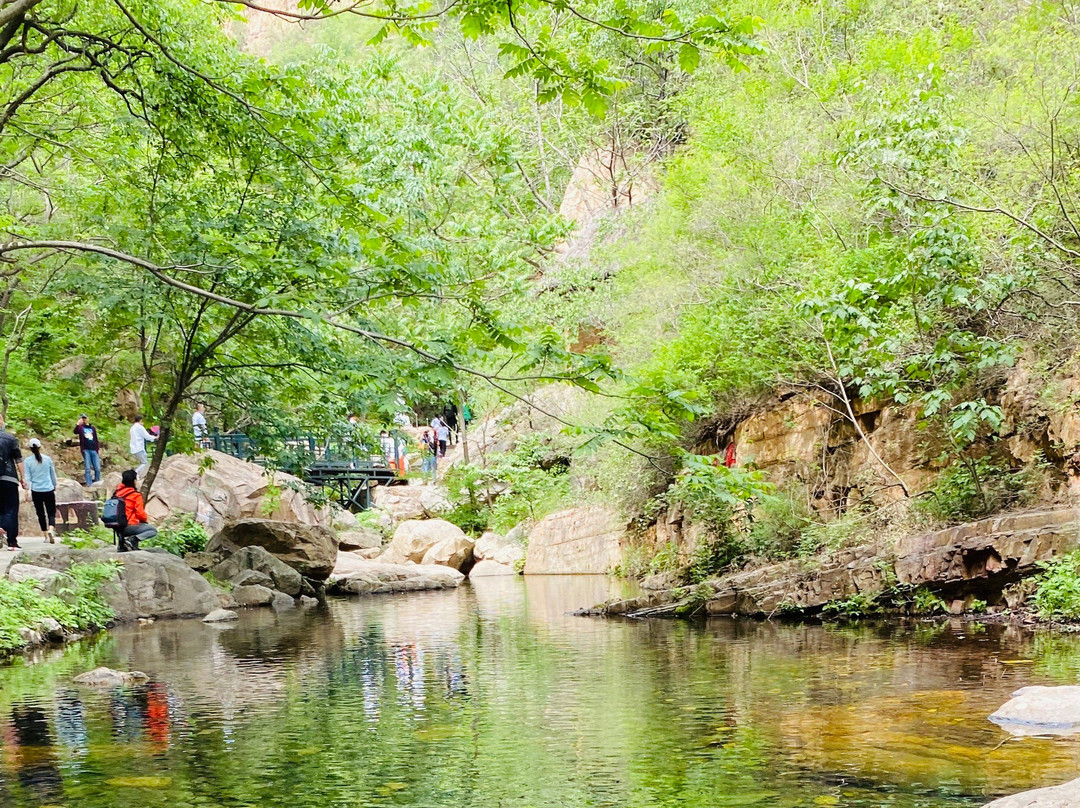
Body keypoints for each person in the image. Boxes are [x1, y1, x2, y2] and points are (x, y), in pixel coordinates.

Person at [113, 469, 157, 550]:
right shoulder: (135, 495)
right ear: (133, 481)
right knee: (152, 530)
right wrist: (145, 519)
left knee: (136, 523)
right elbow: (140, 513)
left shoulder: (117, 493)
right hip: (128, 526)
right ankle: (132, 540)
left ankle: (124, 544)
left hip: (116, 526)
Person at [0, 413, 26, 550]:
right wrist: (23, 479)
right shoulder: (10, 438)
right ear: (1, 422)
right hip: (9, 478)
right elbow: (19, 460)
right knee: (11, 509)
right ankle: (11, 541)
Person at [24, 439, 57, 543]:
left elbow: (27, 477)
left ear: (30, 449)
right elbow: (52, 474)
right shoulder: (47, 459)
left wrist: (27, 490)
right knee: (51, 512)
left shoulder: (28, 461)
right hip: (48, 488)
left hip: (36, 490)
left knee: (40, 513)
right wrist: (54, 485)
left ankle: (46, 535)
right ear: (40, 446)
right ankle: (51, 529)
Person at [73, 414, 101, 487]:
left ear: (88, 418)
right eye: (83, 418)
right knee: (87, 468)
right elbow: (75, 431)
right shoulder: (80, 428)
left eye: (85, 418)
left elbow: (96, 439)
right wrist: (77, 424)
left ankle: (97, 482)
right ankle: (89, 483)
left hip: (94, 449)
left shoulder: (92, 428)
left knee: (97, 467)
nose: (84, 420)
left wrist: (98, 449)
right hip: (86, 449)